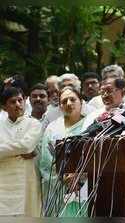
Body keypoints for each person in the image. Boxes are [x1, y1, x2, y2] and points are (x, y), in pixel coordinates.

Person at [39, 86, 95, 217]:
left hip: (88, 189)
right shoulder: (53, 129)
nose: (68, 103)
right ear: (60, 106)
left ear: (81, 102)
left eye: (72, 99)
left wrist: (80, 176)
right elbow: (46, 162)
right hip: (60, 190)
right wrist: (63, 177)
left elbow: (97, 156)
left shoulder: (91, 125)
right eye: (64, 101)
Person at [0, 87, 42, 216]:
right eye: (13, 102)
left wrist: (6, 150)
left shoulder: (34, 124)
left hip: (26, 181)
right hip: (3, 184)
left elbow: (26, 146)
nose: (18, 105)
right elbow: (22, 148)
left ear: (25, 101)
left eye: (20, 100)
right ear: (4, 107)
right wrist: (17, 150)